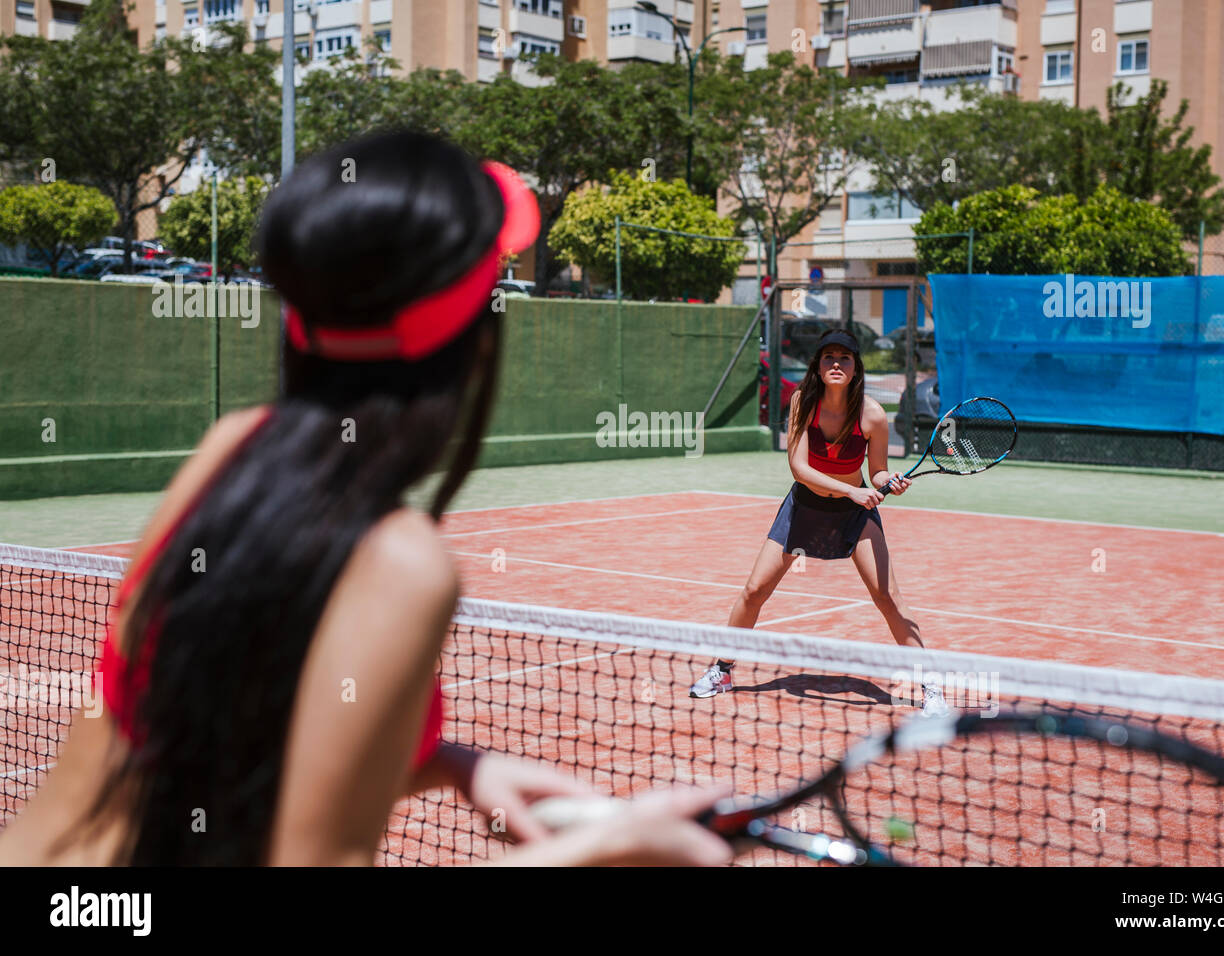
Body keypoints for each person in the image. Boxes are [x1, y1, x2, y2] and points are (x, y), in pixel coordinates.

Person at [0, 131, 730, 867]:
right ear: (476, 345)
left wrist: (450, 764)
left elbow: (240, 735)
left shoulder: (232, 449)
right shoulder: (401, 565)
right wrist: (615, 847)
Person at [689, 330, 946, 715]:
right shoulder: (803, 403)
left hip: (854, 516)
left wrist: (887, 482)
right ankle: (722, 670)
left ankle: (931, 688)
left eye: (845, 357)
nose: (837, 364)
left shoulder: (873, 415)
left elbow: (876, 472)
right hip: (804, 508)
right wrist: (852, 491)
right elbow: (799, 467)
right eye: (829, 357)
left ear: (856, 366)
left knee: (887, 596)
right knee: (754, 590)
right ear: (818, 366)